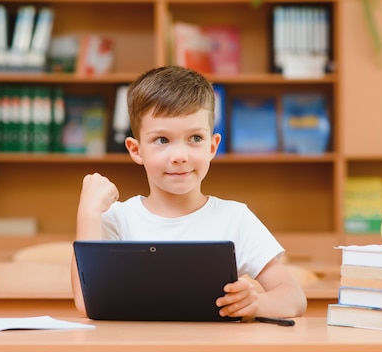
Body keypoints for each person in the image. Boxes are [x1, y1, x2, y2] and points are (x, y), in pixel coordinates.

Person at [72, 66, 307, 320]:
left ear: (212, 146)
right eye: (162, 140)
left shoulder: (235, 217)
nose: (180, 157)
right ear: (136, 150)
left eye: (195, 138)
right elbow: (88, 304)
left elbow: (293, 298)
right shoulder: (117, 219)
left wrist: (254, 303)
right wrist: (88, 212)